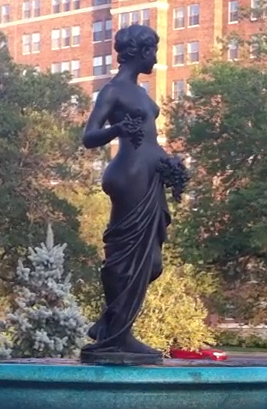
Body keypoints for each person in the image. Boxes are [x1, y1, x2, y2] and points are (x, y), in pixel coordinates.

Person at [78, 24, 189, 364]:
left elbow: (152, 140)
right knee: (124, 255)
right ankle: (117, 337)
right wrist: (116, 128)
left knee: (150, 261)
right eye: (152, 51)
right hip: (130, 176)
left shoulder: (140, 93)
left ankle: (112, 326)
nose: (155, 57)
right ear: (139, 52)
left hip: (150, 175)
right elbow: (89, 136)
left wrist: (170, 163)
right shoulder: (113, 91)